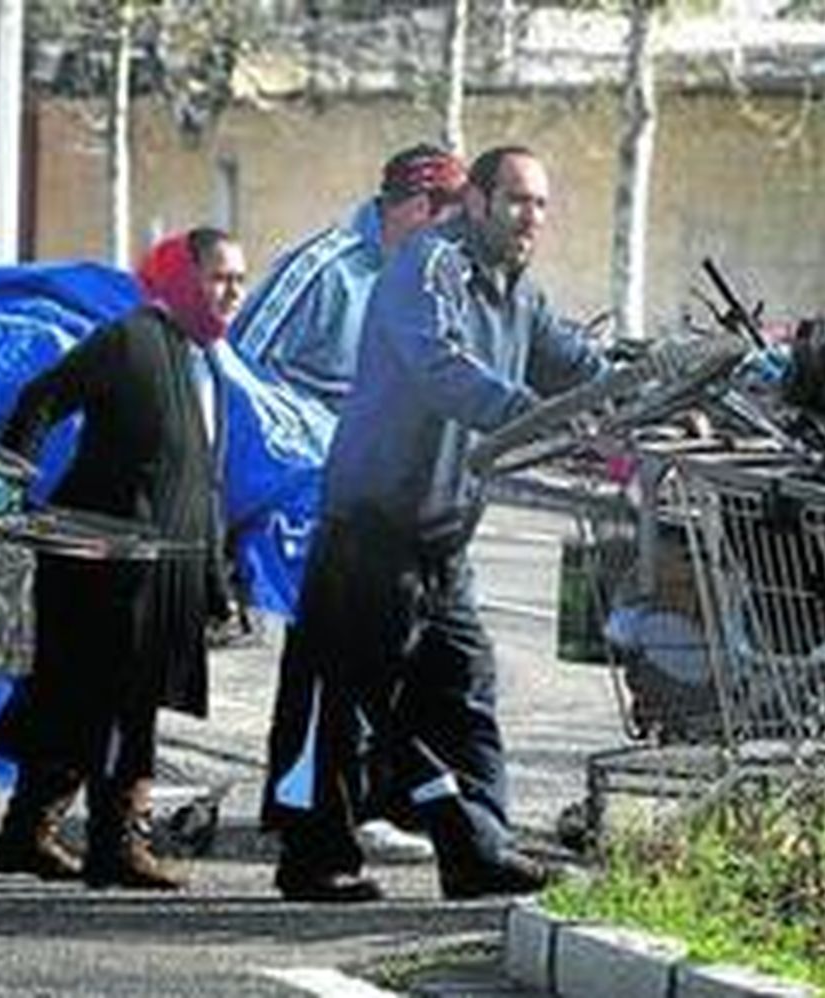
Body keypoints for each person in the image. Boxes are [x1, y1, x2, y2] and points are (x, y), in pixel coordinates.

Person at [261, 146, 608, 902]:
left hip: (444, 537)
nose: (531, 218)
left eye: (542, 205)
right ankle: (315, 856)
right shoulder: (428, 266)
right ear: (475, 202)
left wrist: (655, 392)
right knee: (351, 703)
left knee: (463, 692)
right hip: (372, 530)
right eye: (516, 200)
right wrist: (529, 417)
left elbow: (578, 364)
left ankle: (475, 852)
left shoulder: (520, 295)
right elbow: (438, 365)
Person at [0, 227, 245, 889]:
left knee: (82, 705)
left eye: (240, 278)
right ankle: (116, 844)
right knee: (116, 709)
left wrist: (216, 582)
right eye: (220, 277)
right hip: (107, 565)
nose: (234, 292)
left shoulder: (204, 359)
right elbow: (41, 399)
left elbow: (201, 482)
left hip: (163, 570)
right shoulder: (131, 339)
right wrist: (11, 485)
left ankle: (26, 832)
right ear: (182, 279)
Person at [233, 144, 467, 864]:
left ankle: (363, 796)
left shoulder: (433, 277)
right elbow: (238, 362)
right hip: (310, 487)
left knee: (394, 652)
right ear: (417, 211)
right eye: (452, 222)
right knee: (335, 656)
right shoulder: (328, 269)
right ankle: (319, 805)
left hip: (390, 494)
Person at [234, 144, 468, 413]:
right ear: (420, 208)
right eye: (455, 223)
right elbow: (239, 371)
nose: (457, 240)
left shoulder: (437, 282)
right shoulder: (323, 272)